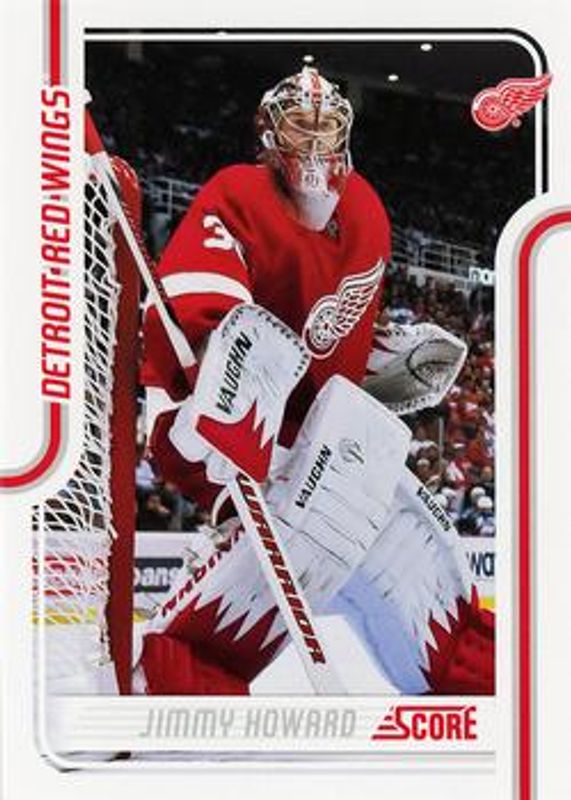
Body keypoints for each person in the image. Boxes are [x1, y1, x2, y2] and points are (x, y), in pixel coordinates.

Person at [136, 60, 493, 697]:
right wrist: (231, 371)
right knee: (275, 558)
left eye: (326, 125)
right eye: (300, 123)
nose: (314, 137)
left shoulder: (367, 211)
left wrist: (373, 363)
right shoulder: (238, 192)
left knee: (417, 567)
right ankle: (178, 680)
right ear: (269, 132)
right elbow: (199, 307)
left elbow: (332, 335)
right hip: (224, 425)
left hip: (322, 436)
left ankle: (487, 686)